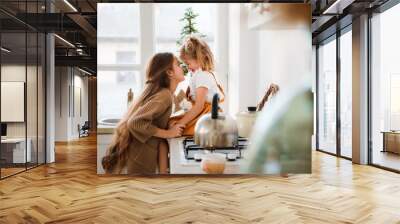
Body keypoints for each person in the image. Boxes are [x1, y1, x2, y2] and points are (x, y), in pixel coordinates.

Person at [102, 52, 185, 174]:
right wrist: (168, 133)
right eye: (178, 64)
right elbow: (135, 122)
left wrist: (168, 126)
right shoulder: (164, 95)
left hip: (141, 154)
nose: (182, 67)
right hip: (141, 156)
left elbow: (154, 122)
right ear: (169, 72)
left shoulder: (165, 93)